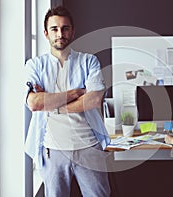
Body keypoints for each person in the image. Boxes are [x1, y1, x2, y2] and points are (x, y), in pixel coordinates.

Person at [23, 6, 111, 197]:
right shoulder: (35, 66)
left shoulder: (89, 62)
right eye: (54, 29)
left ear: (73, 31)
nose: (60, 33)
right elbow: (35, 103)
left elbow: (94, 99)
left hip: (89, 146)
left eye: (65, 28)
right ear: (46, 34)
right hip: (53, 150)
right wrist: (75, 93)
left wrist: (53, 104)